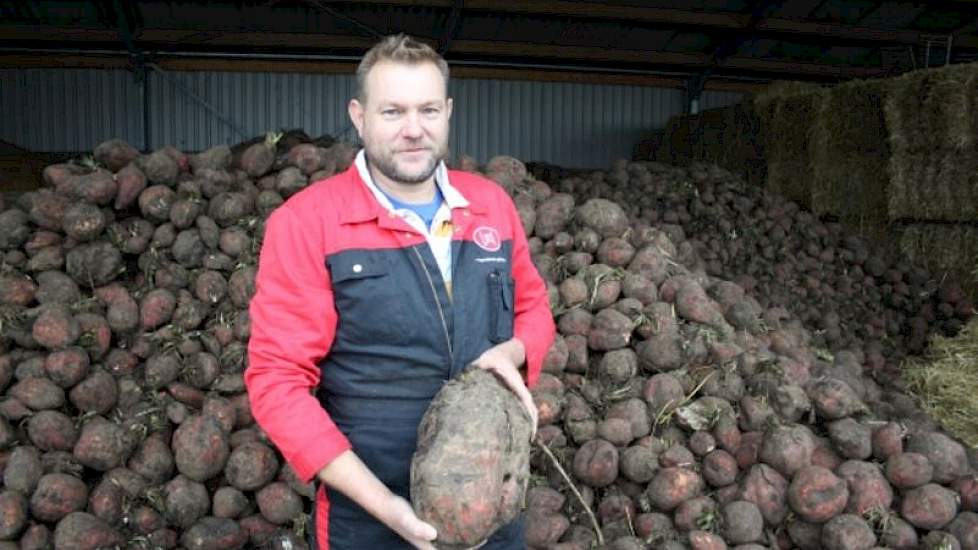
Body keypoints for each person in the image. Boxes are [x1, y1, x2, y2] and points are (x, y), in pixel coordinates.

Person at [245, 33, 556, 550]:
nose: (414, 130)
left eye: (428, 109)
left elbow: (533, 307)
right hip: (369, 517)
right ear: (359, 116)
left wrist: (515, 350)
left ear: (449, 112)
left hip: (491, 500)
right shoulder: (307, 223)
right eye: (392, 112)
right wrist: (385, 507)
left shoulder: (491, 206)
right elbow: (277, 383)